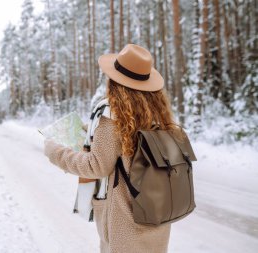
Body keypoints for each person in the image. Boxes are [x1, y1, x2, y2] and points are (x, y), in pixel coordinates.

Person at [44, 44, 175, 253]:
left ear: (115, 80)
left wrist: (55, 152)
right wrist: (91, 131)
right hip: (156, 220)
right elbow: (125, 145)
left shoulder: (113, 114)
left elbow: (96, 166)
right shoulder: (157, 114)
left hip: (125, 225)